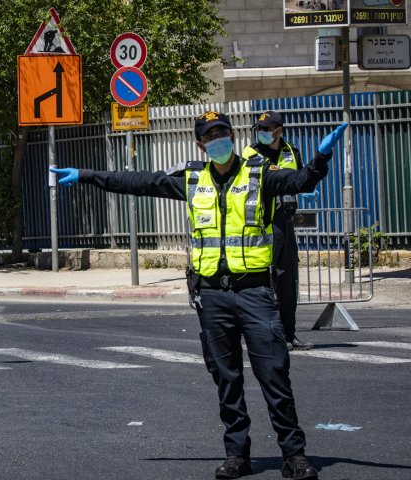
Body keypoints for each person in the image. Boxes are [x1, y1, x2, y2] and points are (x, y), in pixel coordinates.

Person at [51, 111, 347, 480]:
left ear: (233, 136)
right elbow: (137, 182)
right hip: (212, 297)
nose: (219, 139)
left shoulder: (260, 175)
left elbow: (302, 181)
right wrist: (85, 175)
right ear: (200, 144)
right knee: (226, 379)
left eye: (224, 132)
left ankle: (294, 456)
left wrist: (321, 158)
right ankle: (238, 456)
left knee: (274, 375)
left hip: (254, 290)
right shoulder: (192, 179)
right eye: (211, 135)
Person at [242, 111, 312, 351]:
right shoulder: (251, 153)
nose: (261, 132)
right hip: (263, 224)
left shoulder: (291, 151)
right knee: (263, 283)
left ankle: (289, 334)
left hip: (286, 223)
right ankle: (268, 334)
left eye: (266, 128)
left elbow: (300, 179)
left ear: (278, 130)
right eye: (259, 128)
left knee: (287, 281)